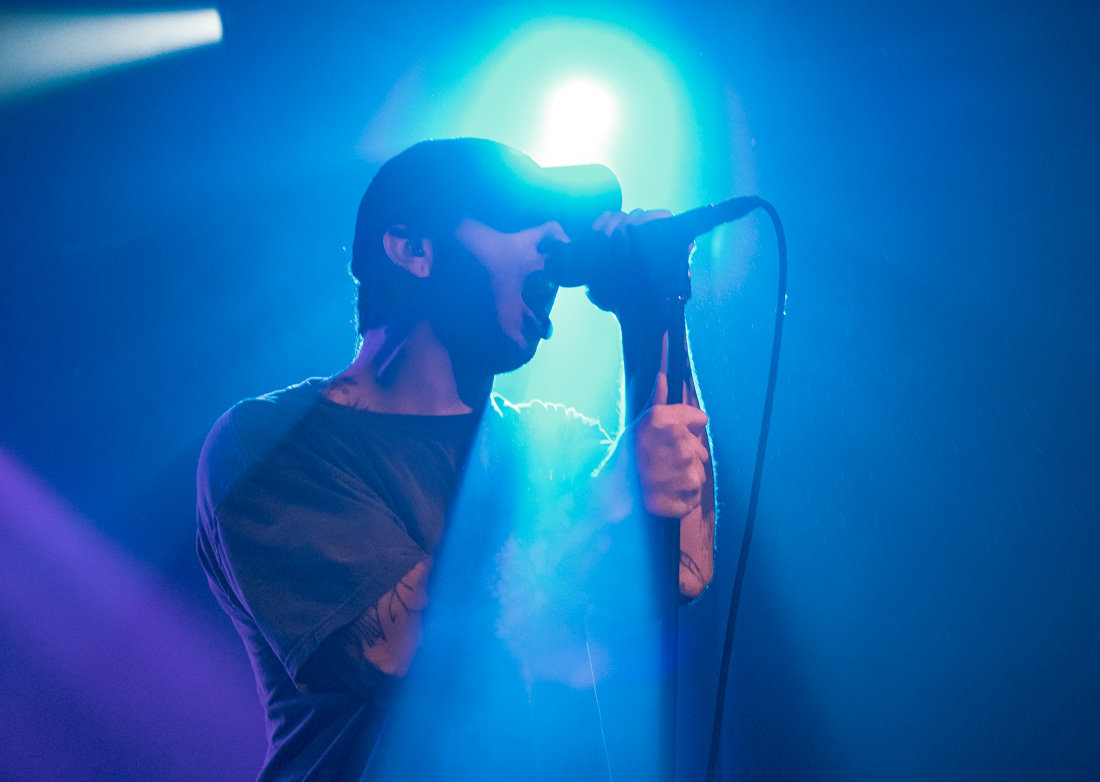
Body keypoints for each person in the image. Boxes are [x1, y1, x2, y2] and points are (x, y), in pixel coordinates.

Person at [196, 138, 715, 781]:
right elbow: (399, 655)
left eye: (563, 221)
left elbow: (682, 568)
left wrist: (651, 317)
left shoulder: (551, 446)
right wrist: (605, 502)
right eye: (521, 215)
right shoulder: (270, 442)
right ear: (413, 248)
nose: (557, 238)